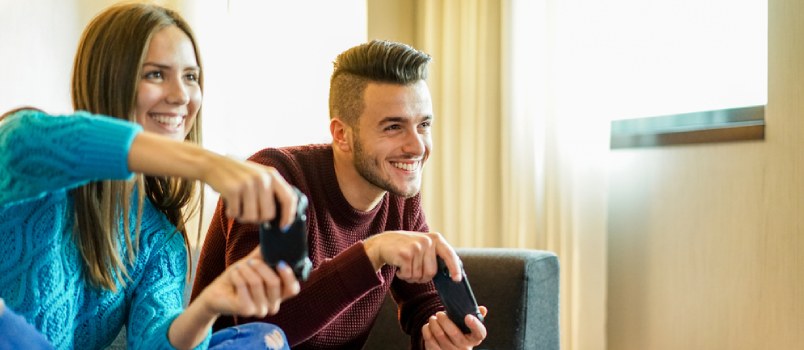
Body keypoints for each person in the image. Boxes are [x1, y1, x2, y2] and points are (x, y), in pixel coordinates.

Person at [0, 3, 299, 349]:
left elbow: (154, 342)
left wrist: (209, 305)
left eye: (190, 76)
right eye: (155, 74)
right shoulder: (28, 147)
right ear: (107, 81)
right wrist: (209, 164)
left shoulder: (160, 239)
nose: (181, 96)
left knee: (262, 341)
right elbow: (67, 141)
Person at [192, 40, 488, 349]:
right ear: (341, 134)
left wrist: (440, 333)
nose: (416, 146)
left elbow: (423, 304)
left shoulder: (398, 192)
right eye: (393, 127)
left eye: (423, 124)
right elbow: (263, 329)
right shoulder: (274, 178)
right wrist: (373, 251)